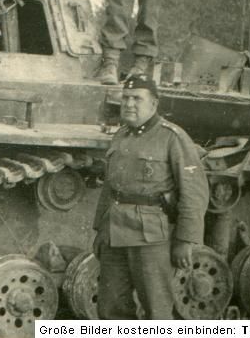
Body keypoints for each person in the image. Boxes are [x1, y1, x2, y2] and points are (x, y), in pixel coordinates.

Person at [92, 75, 208, 319]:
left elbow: (193, 192)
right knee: (110, 308)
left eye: (137, 99)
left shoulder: (172, 138)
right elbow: (111, 188)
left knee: (157, 310)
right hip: (115, 235)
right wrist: (100, 230)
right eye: (125, 98)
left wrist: (186, 240)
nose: (129, 104)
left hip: (152, 238)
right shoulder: (121, 135)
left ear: (154, 103)